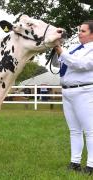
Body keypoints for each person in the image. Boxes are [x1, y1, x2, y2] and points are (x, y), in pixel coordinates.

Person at [55, 20, 93, 175]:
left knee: (90, 131)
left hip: (85, 91)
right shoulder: (74, 48)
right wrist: (55, 47)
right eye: (79, 30)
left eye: (83, 31)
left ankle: (91, 165)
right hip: (68, 92)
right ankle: (75, 162)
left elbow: (81, 64)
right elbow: (60, 63)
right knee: (74, 130)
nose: (79, 33)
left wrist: (62, 52)